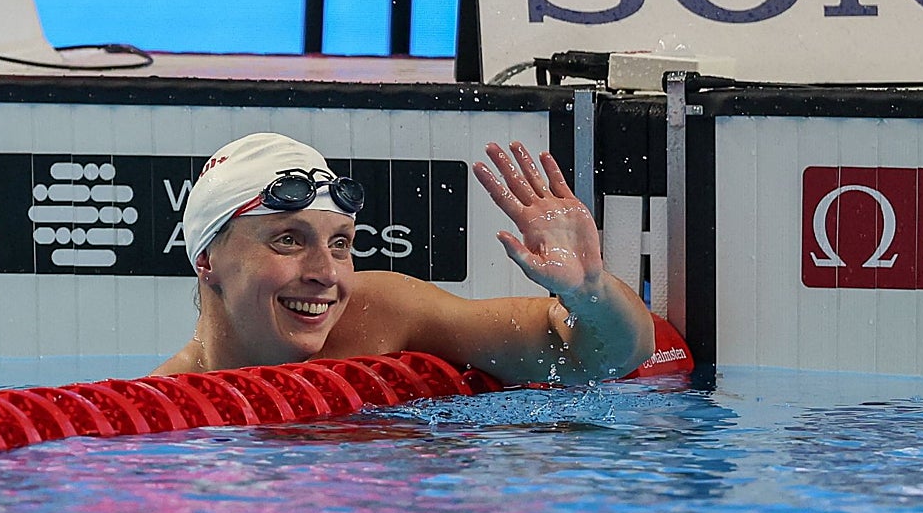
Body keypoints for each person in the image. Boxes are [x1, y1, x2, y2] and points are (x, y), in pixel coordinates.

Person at [152, 132, 656, 386]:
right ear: (207, 259)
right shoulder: (164, 403)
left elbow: (599, 356)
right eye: (288, 240)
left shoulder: (380, 314)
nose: (326, 274)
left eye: (340, 243)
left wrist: (589, 292)